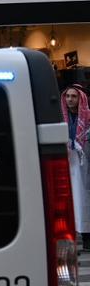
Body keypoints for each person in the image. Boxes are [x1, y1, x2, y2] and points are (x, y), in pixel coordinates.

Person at [64, 86, 90, 249]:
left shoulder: (88, 116)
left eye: (74, 96)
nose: (70, 99)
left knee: (85, 200)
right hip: (70, 163)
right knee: (72, 200)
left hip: (86, 162)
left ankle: (87, 238)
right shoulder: (62, 116)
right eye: (68, 96)